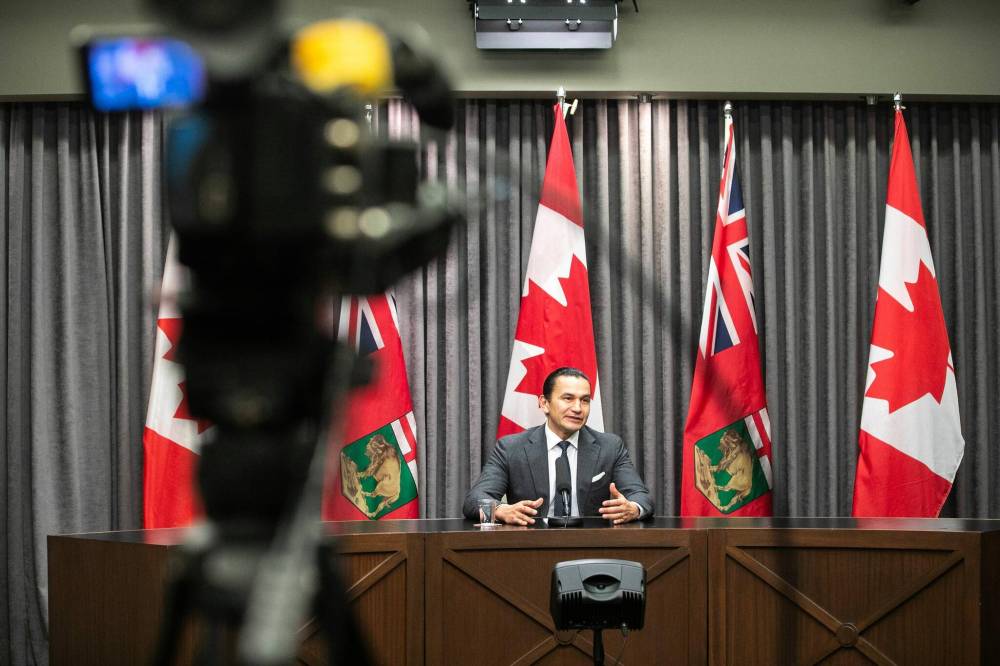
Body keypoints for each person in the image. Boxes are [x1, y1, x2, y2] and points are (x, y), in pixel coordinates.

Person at [463, 367, 654, 525]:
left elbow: (641, 497)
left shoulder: (610, 447)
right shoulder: (511, 448)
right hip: (530, 545)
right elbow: (474, 499)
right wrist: (501, 510)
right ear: (544, 403)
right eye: (568, 398)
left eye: (585, 400)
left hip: (591, 546)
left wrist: (633, 508)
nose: (578, 408)